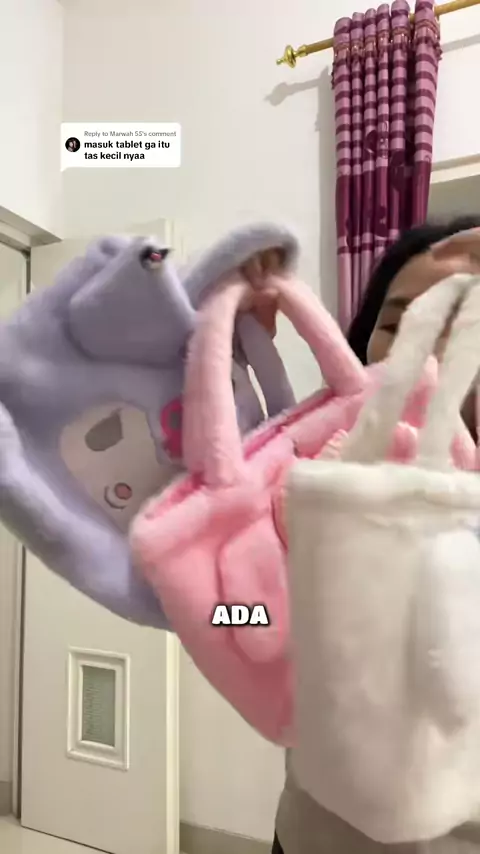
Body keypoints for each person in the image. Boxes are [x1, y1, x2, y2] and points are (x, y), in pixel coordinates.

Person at [272, 214, 480, 854]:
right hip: (314, 834)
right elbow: (244, 618)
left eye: (463, 320)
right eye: (398, 324)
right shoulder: (326, 480)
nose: (427, 349)